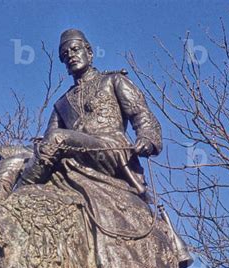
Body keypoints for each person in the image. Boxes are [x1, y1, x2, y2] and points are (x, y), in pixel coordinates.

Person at [20, 28, 162, 201]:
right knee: (14, 161)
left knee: (57, 138)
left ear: (89, 52)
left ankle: (20, 196)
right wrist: (3, 150)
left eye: (75, 49)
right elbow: (46, 141)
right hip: (77, 153)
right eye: (65, 55)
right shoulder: (61, 104)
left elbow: (141, 114)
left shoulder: (113, 80)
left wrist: (147, 139)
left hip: (111, 149)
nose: (70, 56)